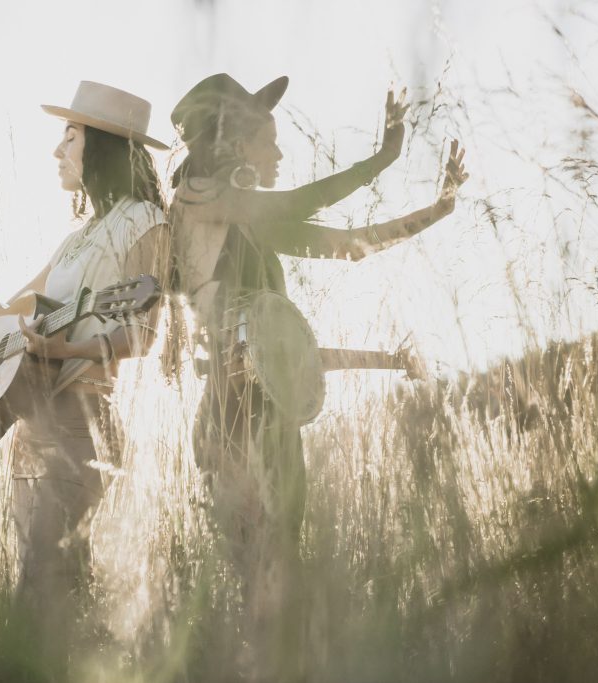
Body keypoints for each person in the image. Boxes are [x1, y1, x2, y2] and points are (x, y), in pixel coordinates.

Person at [168, 73, 468, 682]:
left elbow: (352, 244)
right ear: (229, 141)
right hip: (233, 424)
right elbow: (307, 201)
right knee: (266, 590)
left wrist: (438, 210)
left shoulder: (251, 222)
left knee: (281, 591)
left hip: (274, 428)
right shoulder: (196, 201)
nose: (278, 155)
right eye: (267, 142)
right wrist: (382, 158)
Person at [0, 80, 170, 682]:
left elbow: (144, 334)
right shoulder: (75, 241)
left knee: (40, 587)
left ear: (101, 146)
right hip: (33, 430)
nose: (58, 150)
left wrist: (66, 346)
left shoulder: (145, 221)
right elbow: (1, 316)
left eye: (70, 136)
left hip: (83, 428)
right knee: (57, 585)